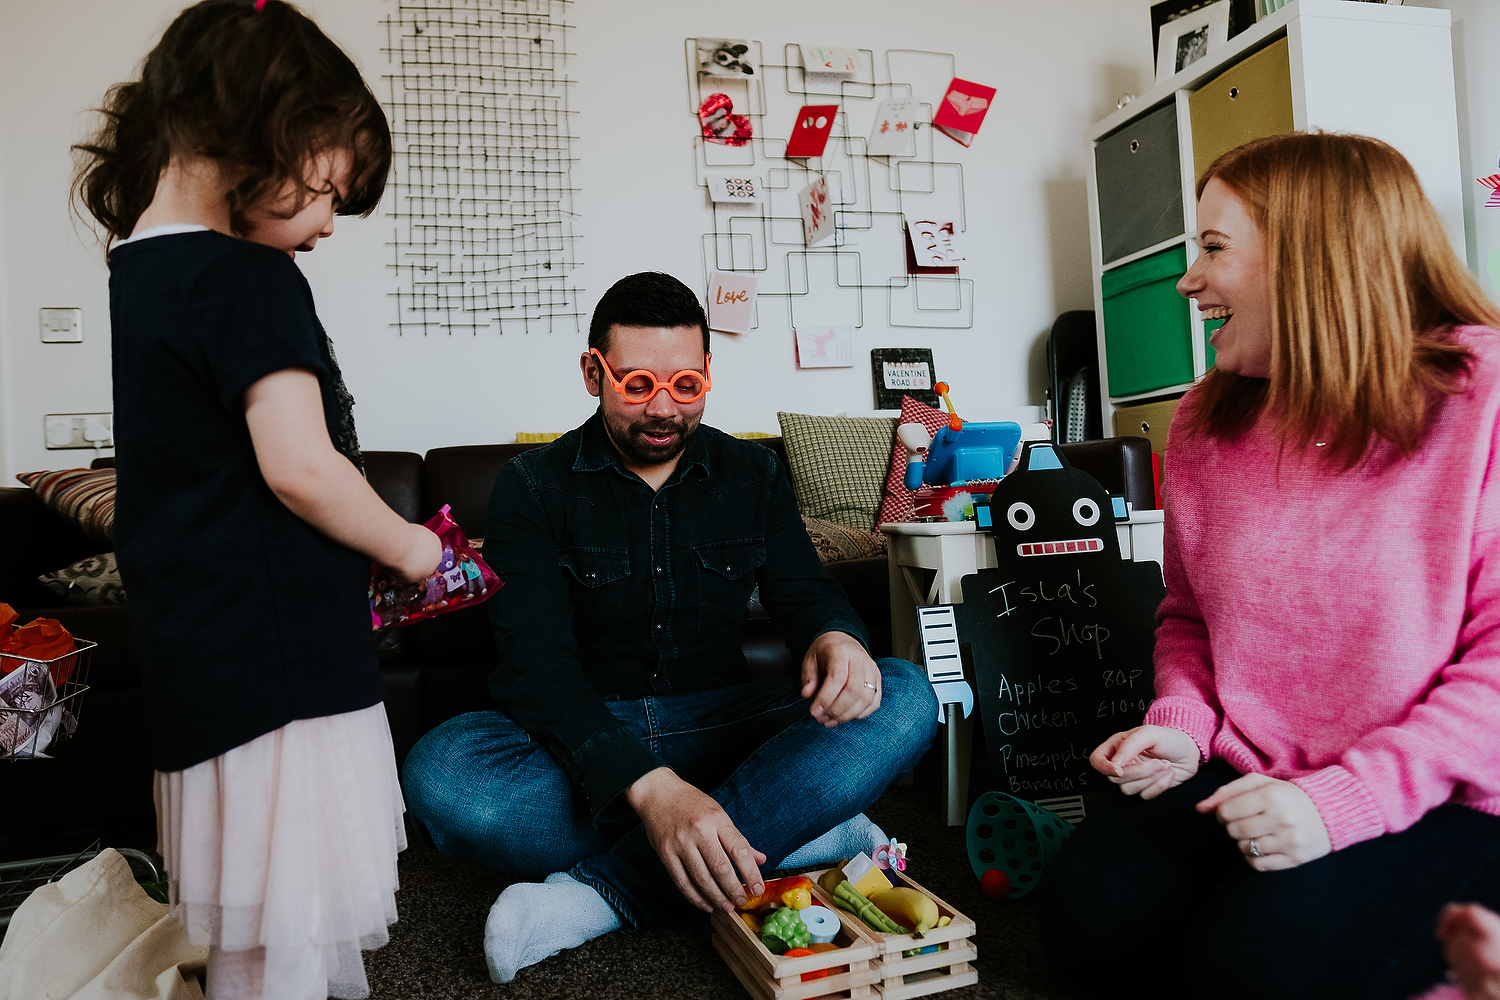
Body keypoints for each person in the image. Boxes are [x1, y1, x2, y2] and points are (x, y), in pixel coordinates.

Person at [1037, 132, 1500, 999]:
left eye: (1214, 248)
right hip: (1261, 767)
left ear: (1315, 257)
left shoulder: (1483, 394)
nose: (1187, 279)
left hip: (1452, 793)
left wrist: (1343, 805)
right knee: (1085, 916)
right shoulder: (1205, 418)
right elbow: (1187, 613)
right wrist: (1181, 724)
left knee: (1254, 967)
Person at [401, 271, 938, 983]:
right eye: (637, 386)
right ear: (594, 372)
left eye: (685, 386)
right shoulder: (532, 484)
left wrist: (834, 636)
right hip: (586, 736)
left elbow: (805, 592)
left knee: (904, 696)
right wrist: (651, 789)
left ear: (709, 374)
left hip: (721, 723)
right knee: (446, 775)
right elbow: (535, 665)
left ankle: (605, 896)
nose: (663, 409)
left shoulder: (754, 473)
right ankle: (790, 826)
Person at [74, 3, 441, 998]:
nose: (327, 224)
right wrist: (412, 546)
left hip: (202, 645)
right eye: (326, 189)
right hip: (284, 657)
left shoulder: (141, 261)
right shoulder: (247, 275)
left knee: (249, 910)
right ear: (254, 133)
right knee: (300, 902)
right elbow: (301, 466)